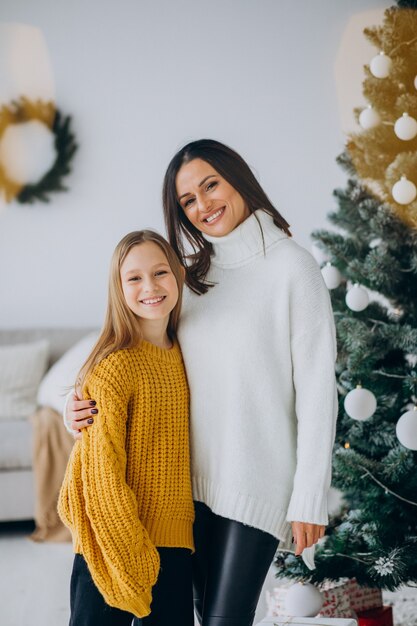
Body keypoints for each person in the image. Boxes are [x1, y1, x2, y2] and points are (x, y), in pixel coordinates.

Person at [65, 139, 338, 626]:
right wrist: (78, 402)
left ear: (238, 178)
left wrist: (310, 496)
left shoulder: (293, 268)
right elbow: (136, 350)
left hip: (256, 485)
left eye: (210, 185)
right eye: (188, 200)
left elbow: (318, 394)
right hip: (185, 490)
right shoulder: (192, 278)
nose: (203, 205)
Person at [58, 230, 195, 626]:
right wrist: (129, 551)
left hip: (175, 541)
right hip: (112, 541)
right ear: (118, 288)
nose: (150, 286)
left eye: (160, 272)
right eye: (134, 277)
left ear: (178, 278)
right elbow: (101, 473)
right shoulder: (116, 366)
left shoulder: (187, 353)